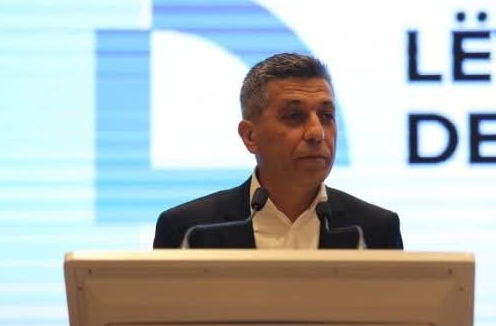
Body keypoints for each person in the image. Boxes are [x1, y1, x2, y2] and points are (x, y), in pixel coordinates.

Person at [153, 53, 403, 249]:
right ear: (250, 136)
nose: (317, 133)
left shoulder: (373, 231)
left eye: (327, 116)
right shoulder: (190, 231)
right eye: (294, 116)